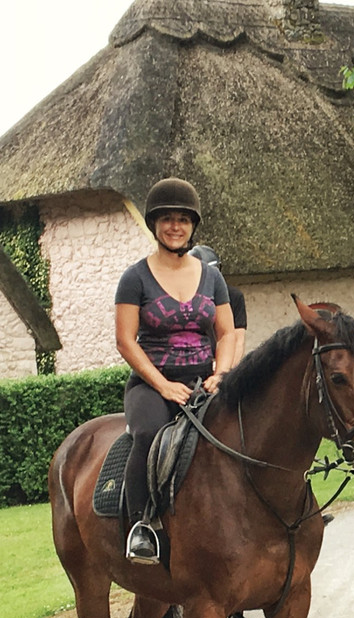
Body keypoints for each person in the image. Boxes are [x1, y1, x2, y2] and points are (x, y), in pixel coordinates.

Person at [116, 178, 236, 564]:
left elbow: (227, 332)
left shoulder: (212, 277)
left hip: (203, 382)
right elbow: (126, 341)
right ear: (155, 224)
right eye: (167, 219)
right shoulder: (134, 279)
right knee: (149, 434)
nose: (175, 226)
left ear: (192, 226)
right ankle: (142, 528)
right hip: (151, 386)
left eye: (183, 219)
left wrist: (222, 373)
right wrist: (163, 386)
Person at [190, 244, 247, 360]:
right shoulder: (185, 299)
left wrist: (228, 373)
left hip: (223, 361)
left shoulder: (234, 296)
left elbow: (238, 341)